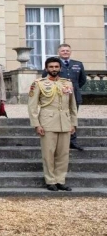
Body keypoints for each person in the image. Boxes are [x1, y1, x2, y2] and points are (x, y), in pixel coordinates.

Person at [28, 57, 77, 192]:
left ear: (60, 68)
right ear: (46, 68)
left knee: (63, 154)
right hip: (47, 122)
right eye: (51, 67)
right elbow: (32, 106)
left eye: (56, 67)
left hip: (65, 122)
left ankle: (60, 180)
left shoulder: (67, 83)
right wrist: (37, 124)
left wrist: (73, 123)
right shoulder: (39, 83)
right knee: (48, 153)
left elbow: (72, 105)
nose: (54, 69)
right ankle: (50, 180)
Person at [41, 44, 86, 151]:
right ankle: (61, 142)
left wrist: (72, 88)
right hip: (58, 96)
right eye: (63, 51)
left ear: (70, 52)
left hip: (74, 95)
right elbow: (45, 78)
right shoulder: (54, 64)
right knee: (61, 118)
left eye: (67, 50)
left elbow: (82, 80)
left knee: (73, 118)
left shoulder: (78, 64)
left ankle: (73, 141)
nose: (65, 52)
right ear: (59, 52)